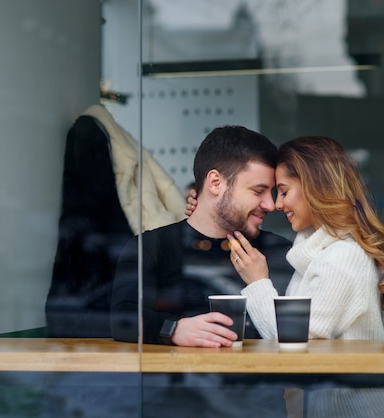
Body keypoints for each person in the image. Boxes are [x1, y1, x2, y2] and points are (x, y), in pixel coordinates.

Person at [189, 136, 384, 417]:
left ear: (315, 188)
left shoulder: (342, 257)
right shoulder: (318, 253)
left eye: (283, 191)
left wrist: (258, 282)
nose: (276, 204)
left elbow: (292, 340)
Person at [110, 125, 293, 347]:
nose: (271, 204)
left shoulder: (280, 252)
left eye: (272, 192)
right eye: (258, 191)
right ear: (216, 183)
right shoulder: (150, 247)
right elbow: (121, 319)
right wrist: (172, 329)